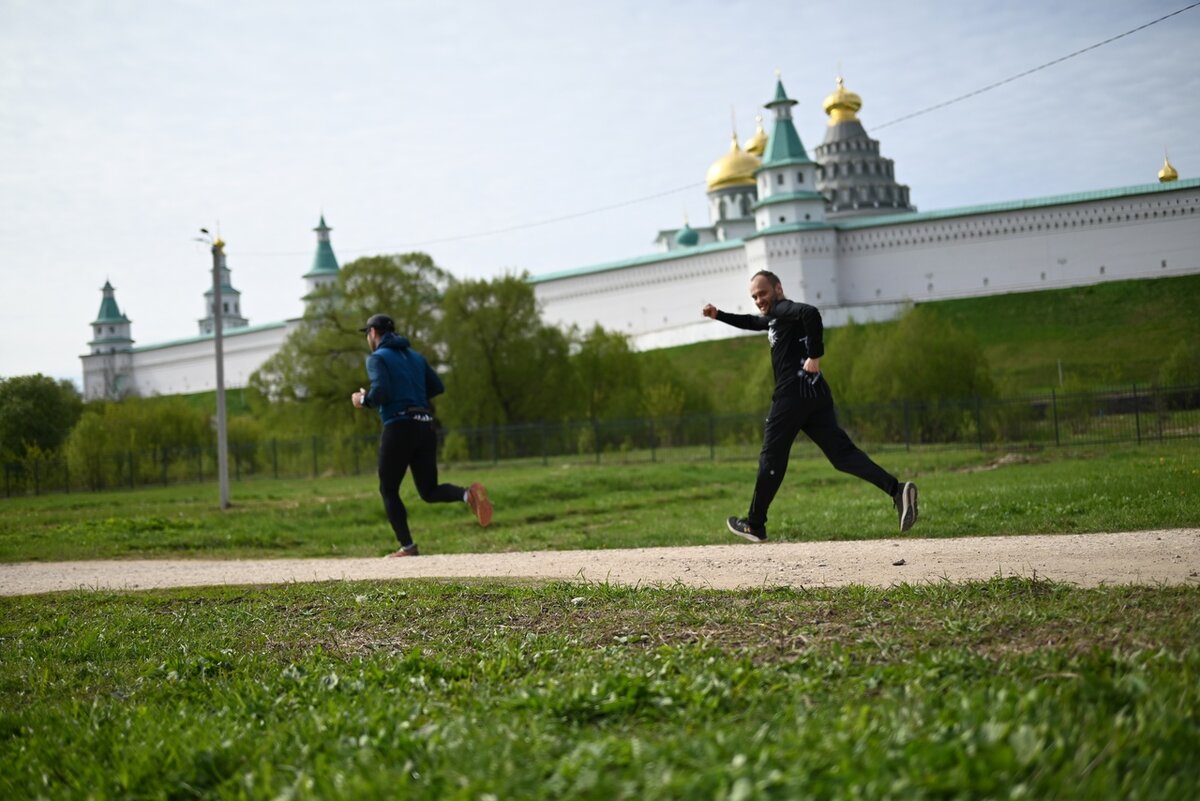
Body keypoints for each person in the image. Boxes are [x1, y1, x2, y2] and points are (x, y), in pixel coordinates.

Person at [701, 271, 917, 542]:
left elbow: (811, 313)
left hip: (792, 394)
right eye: (754, 296)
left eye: (763, 293)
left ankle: (755, 524)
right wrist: (719, 314)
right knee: (842, 455)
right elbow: (754, 321)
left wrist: (815, 355)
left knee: (771, 458)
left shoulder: (783, 308)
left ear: (778, 288)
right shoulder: (777, 316)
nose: (758, 300)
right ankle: (897, 491)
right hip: (815, 393)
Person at [351, 313, 492, 557]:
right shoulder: (416, 357)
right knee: (428, 490)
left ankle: (408, 546)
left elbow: (381, 392)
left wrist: (363, 399)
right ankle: (467, 494)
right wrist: (412, 393)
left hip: (399, 427)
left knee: (388, 489)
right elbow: (437, 386)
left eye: (367, 334)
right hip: (425, 426)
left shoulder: (377, 358)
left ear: (373, 332)